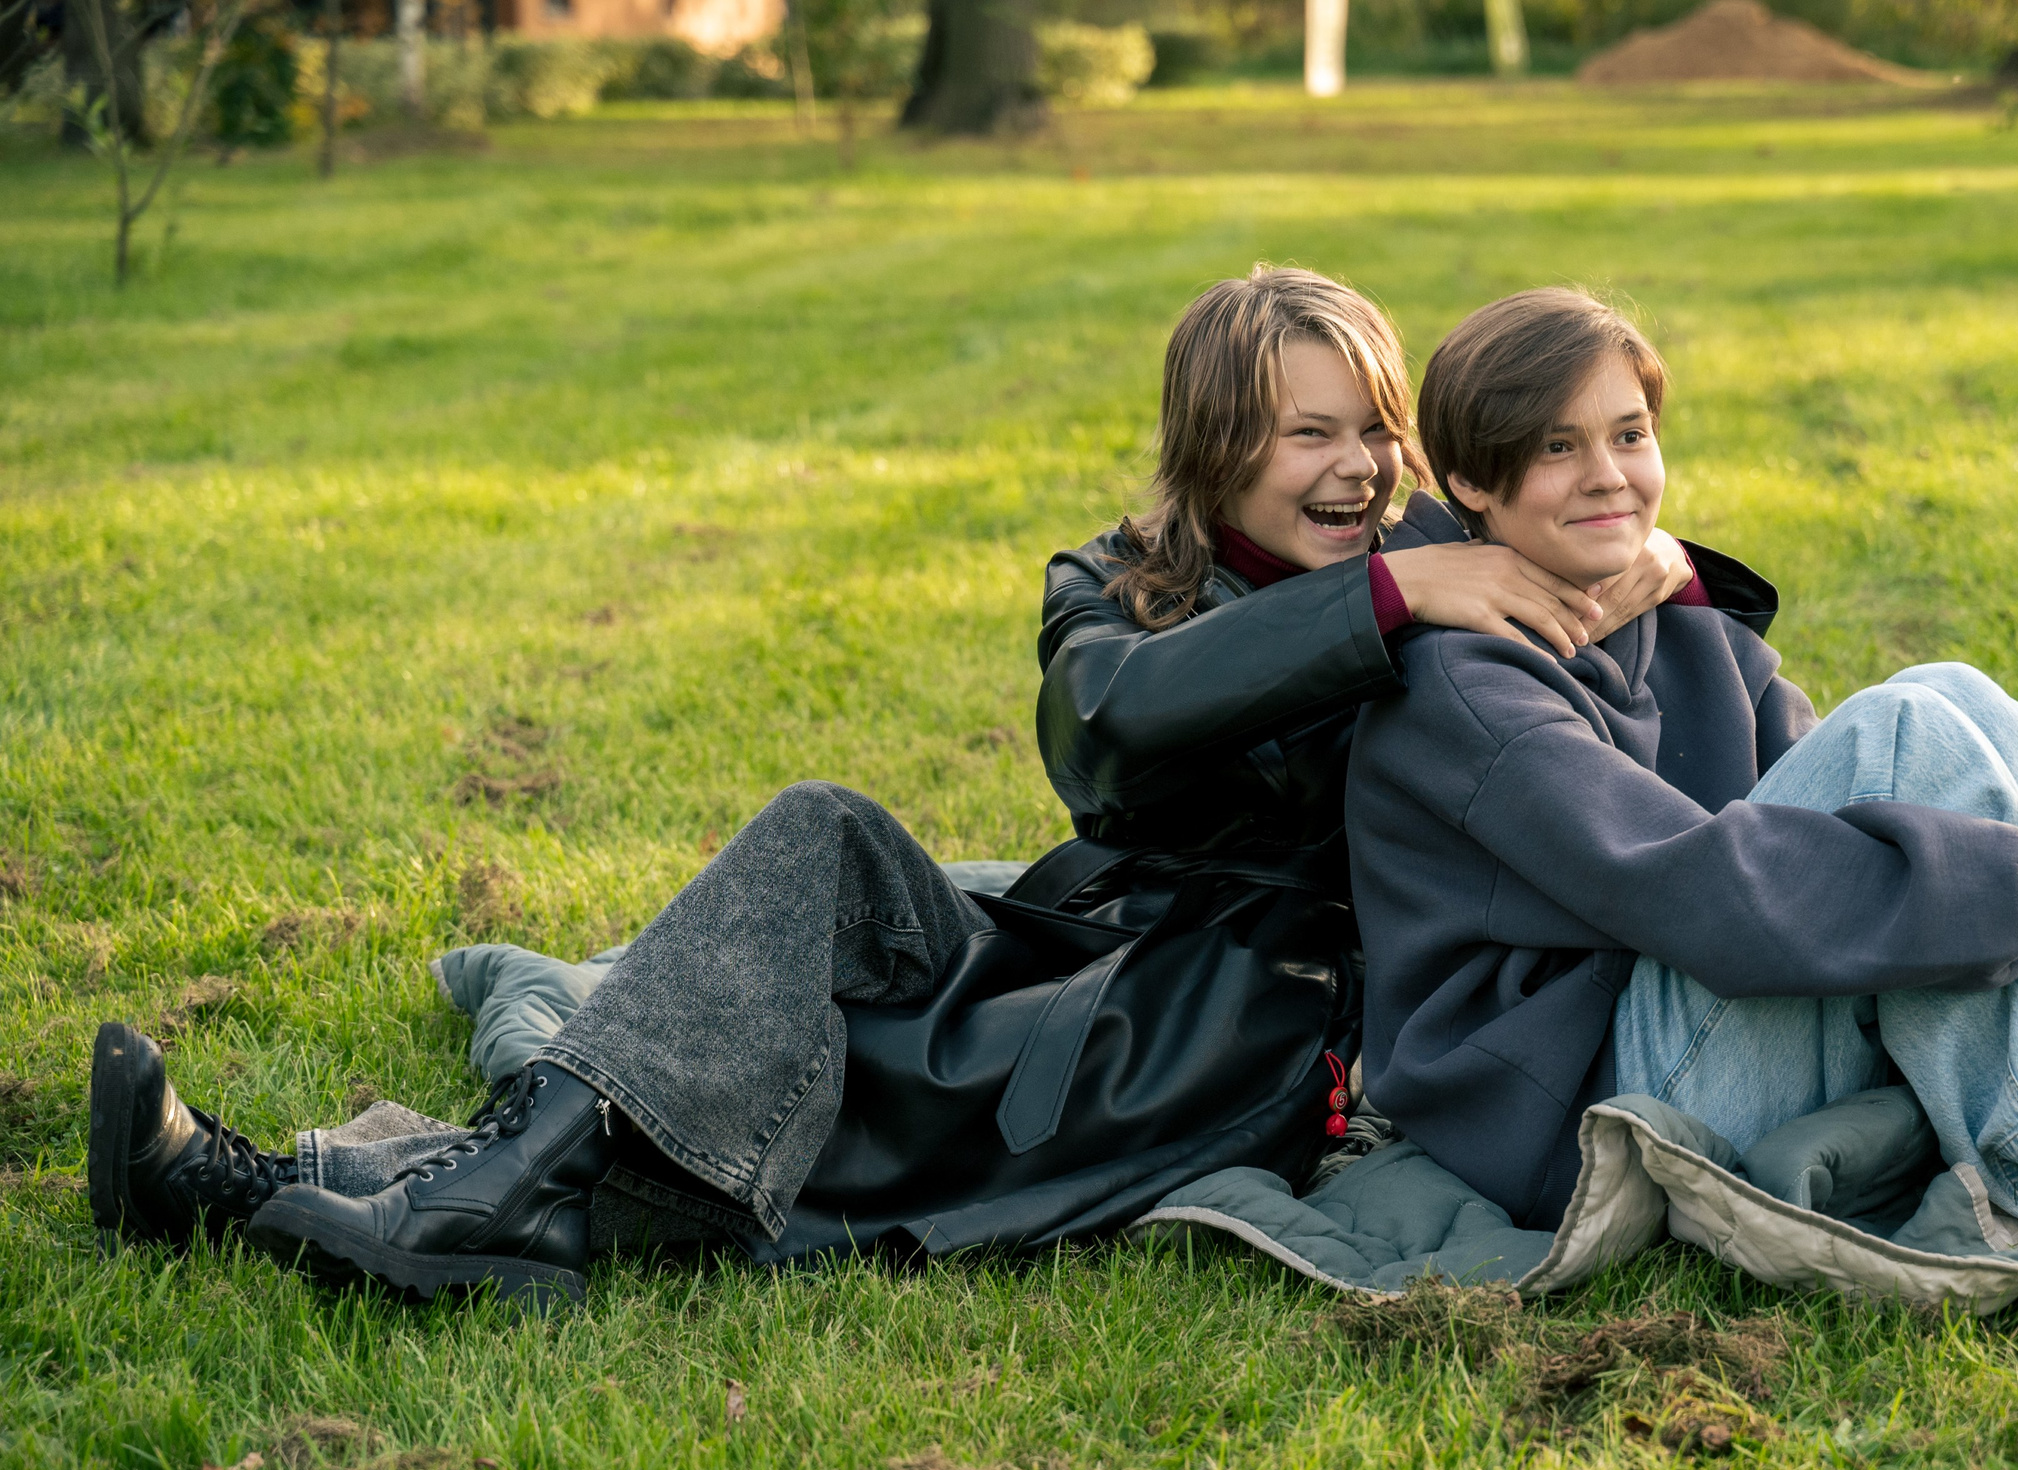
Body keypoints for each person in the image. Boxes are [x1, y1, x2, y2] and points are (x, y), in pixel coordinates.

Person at [84, 266, 1702, 1307]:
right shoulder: (1126, 584)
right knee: (814, 859)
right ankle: (364, 1187)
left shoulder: (1436, 565)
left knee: (771, 1068)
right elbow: (1111, 735)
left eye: (1373, 433)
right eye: (1304, 437)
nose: (1355, 470)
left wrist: (1639, 557)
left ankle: (357, 1195)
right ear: (1215, 450)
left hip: (1226, 1021)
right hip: (1077, 949)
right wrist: (1376, 607)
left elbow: (1616, 554)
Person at [1345, 288, 2018, 1301]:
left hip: (1707, 1020)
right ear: (1473, 486)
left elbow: (1877, 791)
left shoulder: (1665, 613)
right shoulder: (1458, 684)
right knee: (1912, 731)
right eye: (1555, 449)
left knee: (1947, 698)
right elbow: (1707, 895)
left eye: (1630, 434)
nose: (1608, 474)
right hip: (1586, 1103)